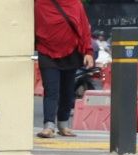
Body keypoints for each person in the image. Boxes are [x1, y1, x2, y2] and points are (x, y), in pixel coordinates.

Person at [37, 0, 95, 137]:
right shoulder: (40, 3)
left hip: (71, 52)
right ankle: (49, 125)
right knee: (51, 90)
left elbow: (84, 29)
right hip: (46, 51)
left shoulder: (75, 4)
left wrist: (88, 52)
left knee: (67, 91)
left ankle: (63, 124)